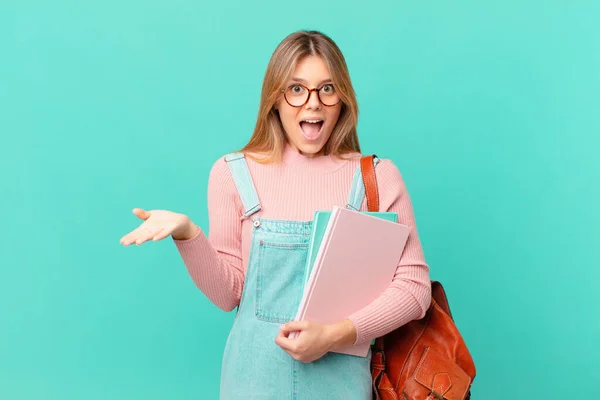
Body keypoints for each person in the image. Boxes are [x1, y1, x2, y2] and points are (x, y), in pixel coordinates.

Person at [120, 30, 431, 400]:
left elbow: (414, 289)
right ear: (275, 99)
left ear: (342, 99)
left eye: (326, 89)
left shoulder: (376, 178)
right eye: (296, 89)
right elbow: (228, 293)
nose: (312, 104)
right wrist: (187, 234)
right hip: (251, 383)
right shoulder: (232, 173)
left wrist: (336, 334)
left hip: (342, 387)